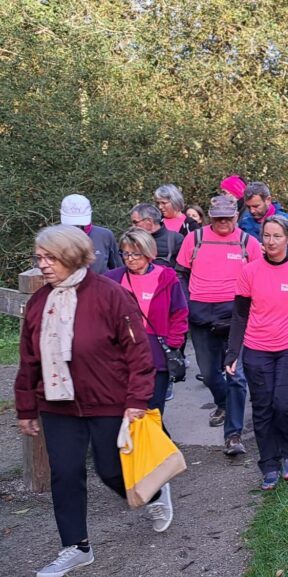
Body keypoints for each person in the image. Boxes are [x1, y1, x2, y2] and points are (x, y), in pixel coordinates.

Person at [16, 225, 166, 577]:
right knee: (65, 473)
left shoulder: (110, 295)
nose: (43, 265)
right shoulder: (39, 303)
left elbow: (138, 353)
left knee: (111, 470)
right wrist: (25, 407)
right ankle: (76, 547)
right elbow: (29, 359)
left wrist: (137, 398)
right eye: (39, 258)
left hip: (108, 399)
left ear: (72, 256)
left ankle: (156, 495)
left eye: (51, 257)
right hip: (58, 404)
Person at [225, 215, 288, 490]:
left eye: (277, 236)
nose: (270, 241)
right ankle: (269, 464)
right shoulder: (249, 271)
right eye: (266, 236)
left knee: (284, 404)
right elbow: (239, 315)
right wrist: (232, 352)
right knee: (263, 409)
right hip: (257, 349)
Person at [176, 195, 262, 456]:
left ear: (236, 216)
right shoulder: (195, 239)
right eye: (218, 217)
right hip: (201, 314)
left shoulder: (248, 242)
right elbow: (180, 273)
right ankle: (223, 403)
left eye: (228, 217)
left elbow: (259, 277)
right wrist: (188, 304)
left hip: (235, 316)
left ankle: (233, 435)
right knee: (209, 373)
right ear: (210, 217)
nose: (223, 221)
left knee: (236, 375)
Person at [104, 228, 188, 417]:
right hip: (122, 352)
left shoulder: (166, 277)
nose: (130, 258)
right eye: (126, 253)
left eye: (136, 253)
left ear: (149, 253)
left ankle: (153, 436)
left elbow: (179, 312)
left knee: (153, 409)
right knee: (125, 407)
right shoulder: (112, 279)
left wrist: (173, 343)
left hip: (156, 351)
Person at [239, 182, 288, 261]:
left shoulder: (287, 220)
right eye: (248, 207)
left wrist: (280, 261)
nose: (252, 211)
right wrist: (252, 248)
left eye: (256, 206)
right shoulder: (244, 221)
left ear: (268, 200)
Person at [59, 194, 122, 274]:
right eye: (72, 224)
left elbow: (118, 270)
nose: (77, 227)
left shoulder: (104, 236)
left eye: (80, 223)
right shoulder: (53, 238)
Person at [130, 203, 184, 270]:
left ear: (149, 221)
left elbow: (182, 270)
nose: (133, 226)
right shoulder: (132, 240)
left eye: (135, 222)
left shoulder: (176, 239)